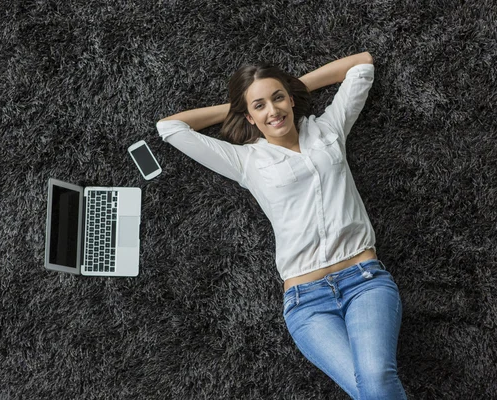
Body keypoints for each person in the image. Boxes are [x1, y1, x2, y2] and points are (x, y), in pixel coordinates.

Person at [156, 52, 407, 399]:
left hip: (364, 280)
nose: (273, 111)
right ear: (249, 116)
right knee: (370, 388)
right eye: (259, 106)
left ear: (291, 98)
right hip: (307, 302)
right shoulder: (246, 161)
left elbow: (361, 64)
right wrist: (235, 107)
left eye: (278, 98)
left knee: (375, 379)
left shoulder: (329, 128)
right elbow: (170, 127)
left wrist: (292, 86)